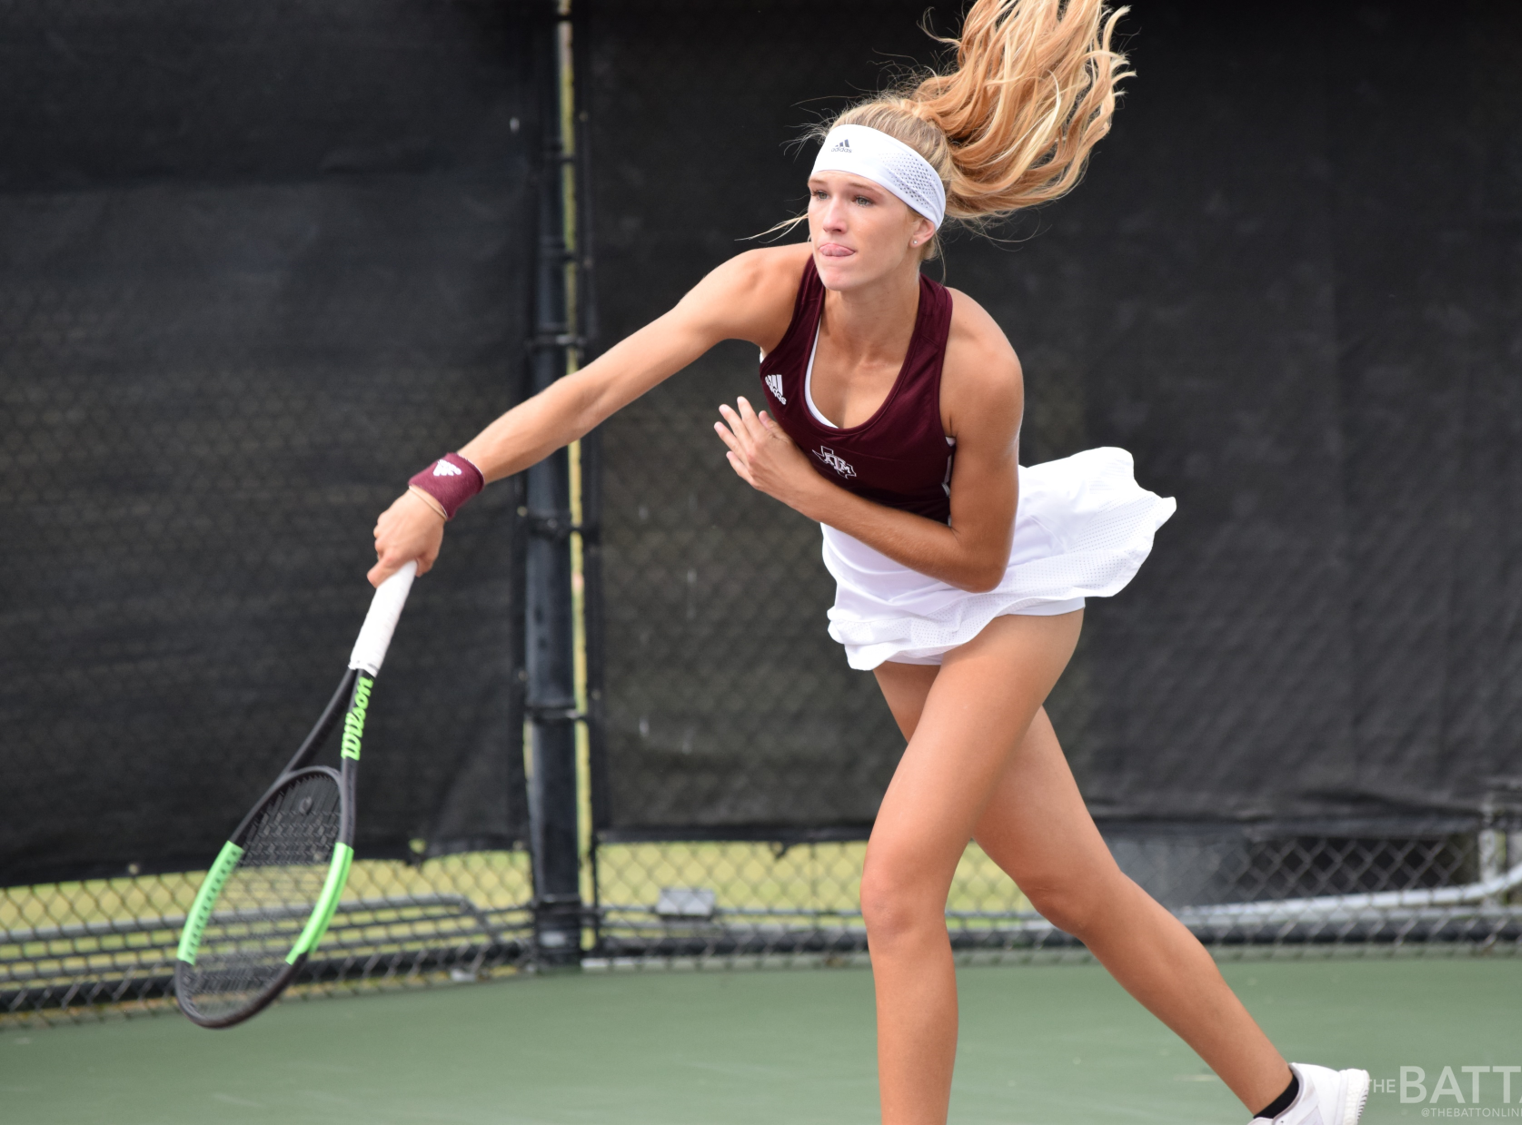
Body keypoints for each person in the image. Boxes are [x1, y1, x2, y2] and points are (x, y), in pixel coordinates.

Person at [369, 2, 1369, 1122]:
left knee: (895, 888)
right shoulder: (764, 289)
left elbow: (979, 563)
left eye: (861, 202)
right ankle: (1297, 1104)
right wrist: (441, 484)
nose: (828, 222)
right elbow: (593, 387)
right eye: (818, 195)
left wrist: (803, 489)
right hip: (890, 599)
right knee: (1070, 887)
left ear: (919, 230)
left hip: (1003, 597)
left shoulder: (976, 365)